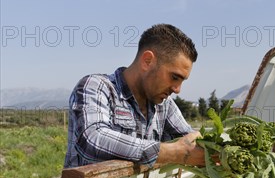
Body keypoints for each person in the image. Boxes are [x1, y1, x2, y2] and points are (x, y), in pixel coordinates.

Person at [64, 23, 207, 169]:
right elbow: (92, 139)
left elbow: (189, 140)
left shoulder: (164, 104)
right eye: (175, 77)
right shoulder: (97, 87)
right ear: (147, 61)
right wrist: (172, 153)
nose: (177, 90)